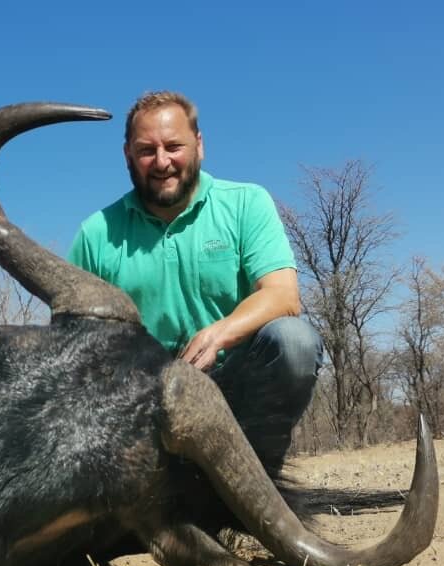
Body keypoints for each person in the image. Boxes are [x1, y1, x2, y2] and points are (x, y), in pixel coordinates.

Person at [68, 91, 323, 474]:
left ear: (199, 146)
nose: (162, 161)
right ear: (127, 156)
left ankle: (261, 472)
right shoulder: (95, 234)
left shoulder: (246, 203)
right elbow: (72, 342)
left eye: (174, 146)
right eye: (146, 150)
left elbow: (283, 295)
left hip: (234, 384)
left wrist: (219, 334)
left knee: (295, 342)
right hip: (140, 403)